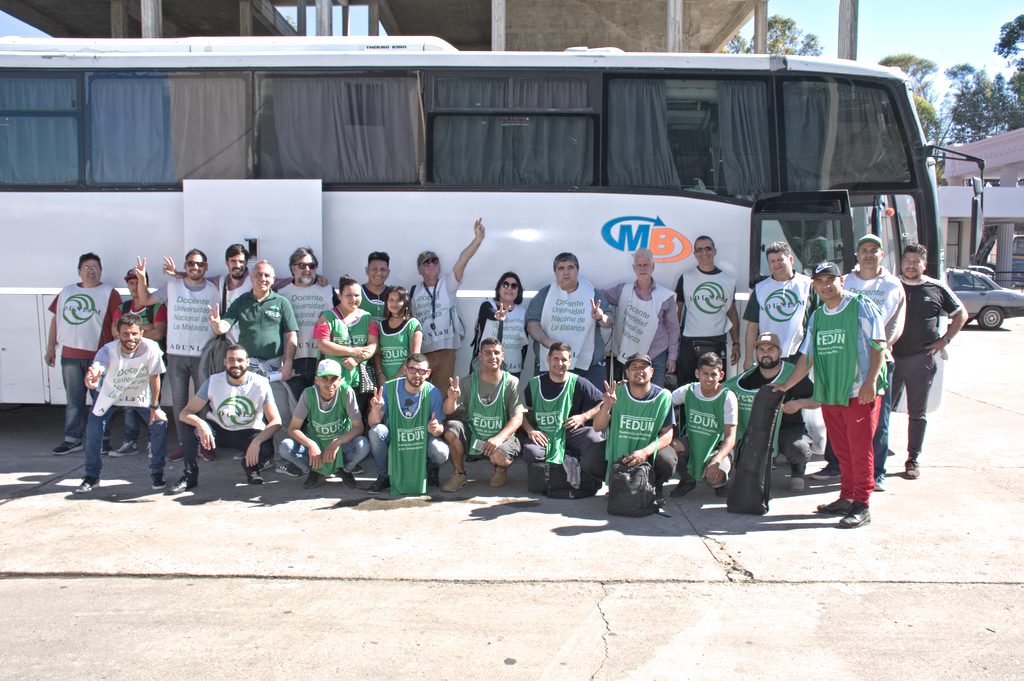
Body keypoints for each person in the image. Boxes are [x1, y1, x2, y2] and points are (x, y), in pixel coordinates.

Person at [773, 262, 887, 529]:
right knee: (842, 450)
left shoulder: (860, 306)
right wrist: (787, 385)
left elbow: (879, 344)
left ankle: (862, 503)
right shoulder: (818, 315)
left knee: (860, 451)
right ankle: (847, 496)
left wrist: (870, 382)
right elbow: (807, 357)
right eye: (819, 281)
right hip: (833, 394)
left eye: (830, 280)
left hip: (860, 392)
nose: (825, 286)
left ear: (841, 281)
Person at [823, 234, 906, 490]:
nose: (868, 254)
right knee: (838, 416)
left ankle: (876, 473)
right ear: (857, 255)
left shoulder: (893, 285)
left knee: (877, 420)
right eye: (864, 250)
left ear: (882, 254)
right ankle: (838, 467)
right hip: (842, 361)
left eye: (874, 250)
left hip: (876, 363)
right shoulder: (845, 281)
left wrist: (880, 346)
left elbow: (897, 323)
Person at [132, 251, 219, 463]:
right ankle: (185, 445)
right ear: (185, 265)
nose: (195, 267)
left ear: (206, 267)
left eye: (199, 264)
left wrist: (177, 274)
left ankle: (206, 444)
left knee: (205, 403)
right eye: (190, 263)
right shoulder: (172, 287)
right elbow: (144, 299)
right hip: (176, 353)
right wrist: (142, 278)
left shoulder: (214, 289)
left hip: (203, 354)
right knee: (180, 403)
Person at [890, 243, 967, 480]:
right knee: (881, 411)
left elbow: (961, 315)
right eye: (907, 261)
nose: (911, 265)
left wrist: (945, 340)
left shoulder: (936, 288)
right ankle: (876, 456)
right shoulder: (891, 285)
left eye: (916, 261)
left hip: (920, 360)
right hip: (889, 359)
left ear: (924, 264)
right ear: (901, 262)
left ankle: (913, 459)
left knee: (917, 413)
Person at [208, 260, 298, 452]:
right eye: (258, 274)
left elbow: (291, 335)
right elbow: (226, 324)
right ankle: (251, 454)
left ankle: (284, 454)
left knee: (281, 412)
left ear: (273, 279)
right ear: (251, 277)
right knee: (249, 412)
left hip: (274, 368)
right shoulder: (241, 301)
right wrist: (218, 326)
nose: (262, 279)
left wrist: (288, 363)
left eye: (266, 275)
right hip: (247, 368)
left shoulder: (282, 302)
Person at [72, 314, 168, 494]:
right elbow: (98, 366)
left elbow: (155, 378)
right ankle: (92, 476)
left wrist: (155, 407)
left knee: (159, 424)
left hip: (139, 395)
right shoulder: (108, 350)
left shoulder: (152, 348)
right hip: (110, 395)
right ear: (117, 334)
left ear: (141, 332)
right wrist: (92, 375)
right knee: (93, 430)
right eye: (125, 334)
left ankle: (157, 472)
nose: (130, 338)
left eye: (134, 334)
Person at [175, 344, 282, 491]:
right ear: (225, 362)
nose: (235, 364)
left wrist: (257, 441)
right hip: (219, 431)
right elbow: (185, 413)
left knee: (266, 445)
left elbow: (276, 421)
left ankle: (251, 467)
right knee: (189, 429)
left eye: (240, 360)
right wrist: (201, 423)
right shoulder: (212, 381)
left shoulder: (261, 383)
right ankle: (189, 476)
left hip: (248, 432)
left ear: (248, 362)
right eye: (231, 360)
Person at [45, 253, 120, 455]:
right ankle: (73, 439)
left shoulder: (109, 293)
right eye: (86, 267)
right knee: (74, 401)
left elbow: (116, 324)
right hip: (70, 355)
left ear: (101, 271)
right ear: (79, 271)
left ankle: (102, 438)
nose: (91, 271)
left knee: (101, 399)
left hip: (99, 357)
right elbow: (55, 321)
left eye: (95, 267)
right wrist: (51, 348)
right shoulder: (66, 292)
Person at [723, 332, 817, 492]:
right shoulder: (748, 377)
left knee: (799, 449)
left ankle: (798, 471)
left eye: (771, 349)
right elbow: (726, 391)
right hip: (758, 429)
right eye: (761, 349)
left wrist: (799, 403)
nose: (765, 353)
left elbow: (820, 400)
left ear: (780, 352)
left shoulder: (793, 374)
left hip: (787, 429)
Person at [411, 218, 486, 392]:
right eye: (426, 262)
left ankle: (440, 420)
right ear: (419, 270)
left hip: (446, 348)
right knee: (420, 392)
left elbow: (463, 260)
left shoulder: (447, 283)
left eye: (434, 261)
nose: (431, 264)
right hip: (423, 350)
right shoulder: (414, 290)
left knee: (443, 392)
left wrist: (477, 240)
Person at [442, 338, 525, 492]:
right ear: (480, 356)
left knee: (499, 456)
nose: (492, 356)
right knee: (451, 429)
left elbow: (518, 418)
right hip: (474, 436)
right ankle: (459, 474)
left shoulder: (512, 382)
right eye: (487, 353)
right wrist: (452, 398)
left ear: (502, 356)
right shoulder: (467, 382)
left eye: (496, 353)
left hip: (501, 438)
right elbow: (447, 411)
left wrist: (499, 439)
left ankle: (500, 469)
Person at [277, 358, 370, 490]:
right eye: (324, 378)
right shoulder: (308, 394)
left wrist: (336, 442)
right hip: (317, 446)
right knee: (285, 447)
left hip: (341, 446)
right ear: (316, 380)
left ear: (340, 380)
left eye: (333, 379)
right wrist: (311, 444)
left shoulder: (346, 392)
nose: (329, 383)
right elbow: (293, 429)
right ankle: (314, 471)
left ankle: (344, 469)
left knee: (362, 445)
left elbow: (358, 427)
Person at [520, 342, 606, 483]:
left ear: (570, 361)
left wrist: (584, 416)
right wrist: (530, 431)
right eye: (556, 358)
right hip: (545, 435)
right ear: (548, 359)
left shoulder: (579, 382)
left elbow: (603, 402)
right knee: (531, 453)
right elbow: (519, 413)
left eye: (564, 359)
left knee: (594, 438)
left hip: (570, 433)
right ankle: (566, 456)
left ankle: (572, 458)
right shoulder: (534, 384)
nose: (560, 363)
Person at [593, 352, 676, 497]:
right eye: (634, 367)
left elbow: (668, 434)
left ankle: (654, 487)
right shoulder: (617, 392)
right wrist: (607, 405)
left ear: (651, 372)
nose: (639, 371)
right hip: (620, 453)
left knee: (667, 460)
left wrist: (645, 452)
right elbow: (597, 427)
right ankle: (618, 484)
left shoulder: (663, 396)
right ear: (627, 373)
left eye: (643, 367)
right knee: (590, 458)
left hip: (647, 454)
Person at [365, 353, 451, 494]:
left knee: (440, 451)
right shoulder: (389, 388)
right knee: (376, 432)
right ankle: (384, 475)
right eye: (412, 370)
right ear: (405, 370)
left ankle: (431, 468)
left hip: (422, 438)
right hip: (395, 436)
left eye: (421, 371)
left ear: (428, 373)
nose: (417, 374)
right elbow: (373, 422)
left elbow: (440, 428)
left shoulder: (433, 392)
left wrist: (435, 428)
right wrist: (375, 409)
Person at [527, 252, 614, 388]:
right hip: (552, 365)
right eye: (561, 268)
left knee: (596, 407)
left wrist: (601, 317)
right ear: (555, 272)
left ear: (577, 270)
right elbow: (531, 323)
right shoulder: (545, 295)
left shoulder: (592, 292)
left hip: (589, 366)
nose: (566, 272)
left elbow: (609, 321)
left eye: (570, 267)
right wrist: (547, 342)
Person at [108, 267, 167, 457]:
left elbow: (159, 332)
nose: (134, 287)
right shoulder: (123, 308)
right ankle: (130, 442)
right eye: (131, 283)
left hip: (151, 363)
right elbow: (115, 333)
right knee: (129, 405)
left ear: (146, 284)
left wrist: (130, 334)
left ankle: (153, 442)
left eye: (138, 282)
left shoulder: (157, 306)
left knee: (152, 402)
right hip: (127, 363)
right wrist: (144, 328)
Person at [602, 248, 678, 387]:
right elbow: (601, 297)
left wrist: (672, 357)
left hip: (657, 355)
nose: (642, 268)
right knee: (631, 396)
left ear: (653, 267)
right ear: (634, 268)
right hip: (630, 357)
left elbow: (673, 329)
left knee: (656, 397)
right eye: (639, 265)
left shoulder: (665, 296)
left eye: (646, 265)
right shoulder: (623, 290)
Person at [675, 235, 740, 386]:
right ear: (695, 254)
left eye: (708, 248)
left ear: (714, 251)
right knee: (687, 388)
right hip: (689, 341)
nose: (704, 253)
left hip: (717, 340)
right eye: (699, 249)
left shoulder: (728, 280)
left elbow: (732, 313)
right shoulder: (685, 278)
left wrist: (736, 343)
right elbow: (677, 311)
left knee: (715, 388)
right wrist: (673, 342)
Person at [670, 352, 738, 497]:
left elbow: (730, 438)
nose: (709, 378)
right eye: (705, 373)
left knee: (716, 477)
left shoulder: (728, 397)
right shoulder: (688, 390)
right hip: (692, 442)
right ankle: (687, 479)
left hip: (717, 447)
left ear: (721, 375)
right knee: (671, 448)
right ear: (697, 373)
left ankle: (721, 482)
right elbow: (662, 403)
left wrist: (717, 460)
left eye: (713, 374)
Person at [314, 275, 379, 416]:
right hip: (331, 381)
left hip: (358, 382)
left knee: (356, 418)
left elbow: (373, 345)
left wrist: (357, 359)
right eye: (348, 295)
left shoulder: (367, 318)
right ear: (340, 296)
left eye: (357, 295)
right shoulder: (326, 317)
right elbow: (322, 344)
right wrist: (352, 351)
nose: (353, 299)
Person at [275, 247, 335, 397]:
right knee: (297, 410)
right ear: (292, 268)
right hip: (294, 361)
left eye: (311, 265)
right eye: (301, 265)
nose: (307, 269)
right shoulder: (281, 294)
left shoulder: (328, 290)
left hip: (321, 359)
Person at [743, 240, 815, 367]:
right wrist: (748, 358)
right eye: (772, 261)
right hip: (769, 356)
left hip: (800, 355)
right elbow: (752, 326)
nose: (776, 264)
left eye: (780, 260)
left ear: (791, 260)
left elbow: (818, 321)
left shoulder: (808, 284)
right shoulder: (760, 288)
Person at [470, 271, 528, 378]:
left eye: (514, 286)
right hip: (488, 364)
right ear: (499, 288)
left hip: (513, 366)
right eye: (505, 284)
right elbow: (488, 313)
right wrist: (496, 315)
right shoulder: (487, 305)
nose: (509, 288)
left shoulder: (523, 312)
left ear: (518, 291)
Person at [375, 286, 422, 383]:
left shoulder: (412, 324)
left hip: (406, 381)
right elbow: (377, 353)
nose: (394, 303)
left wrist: (395, 378)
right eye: (391, 300)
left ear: (405, 302)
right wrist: (380, 374)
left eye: (398, 300)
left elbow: (414, 356)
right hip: (384, 381)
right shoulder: (381, 325)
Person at [359, 251, 391, 323]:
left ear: (388, 273)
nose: (378, 273)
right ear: (367, 271)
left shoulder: (393, 294)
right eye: (374, 269)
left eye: (383, 269)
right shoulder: (356, 293)